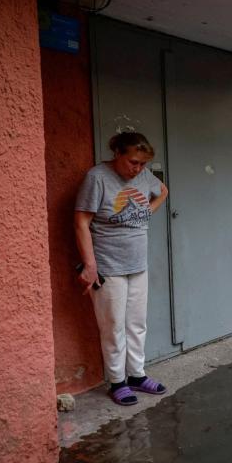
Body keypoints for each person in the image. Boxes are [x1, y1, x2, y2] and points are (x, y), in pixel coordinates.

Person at [75, 131, 169, 406]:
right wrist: (90, 266)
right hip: (108, 266)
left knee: (137, 323)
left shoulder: (143, 176)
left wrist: (146, 212)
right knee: (113, 325)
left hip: (138, 264)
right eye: (133, 162)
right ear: (118, 154)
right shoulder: (97, 178)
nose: (138, 169)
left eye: (142, 164)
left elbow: (162, 191)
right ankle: (117, 381)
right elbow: (81, 222)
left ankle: (137, 376)